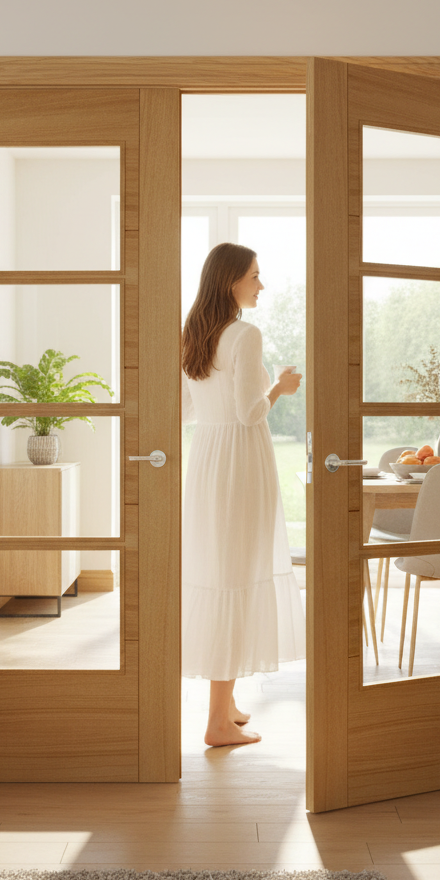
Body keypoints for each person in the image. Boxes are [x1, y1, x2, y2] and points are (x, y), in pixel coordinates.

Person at [180, 242, 306, 747]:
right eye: (255, 275)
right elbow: (250, 413)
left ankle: (225, 704)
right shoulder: (246, 334)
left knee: (221, 570)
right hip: (241, 463)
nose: (261, 284)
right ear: (230, 280)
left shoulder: (194, 335)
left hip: (209, 462)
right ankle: (215, 721)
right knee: (237, 573)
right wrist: (280, 387)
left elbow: (188, 412)